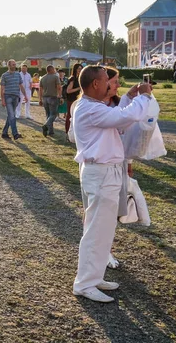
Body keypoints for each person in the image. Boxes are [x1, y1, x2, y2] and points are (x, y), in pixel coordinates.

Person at [71, 65, 153, 303]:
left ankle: (94, 278)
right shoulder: (88, 108)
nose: (110, 84)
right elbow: (123, 116)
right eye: (107, 80)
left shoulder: (95, 106)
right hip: (100, 173)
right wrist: (144, 96)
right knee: (96, 231)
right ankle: (84, 283)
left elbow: (117, 114)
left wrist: (130, 96)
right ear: (95, 84)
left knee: (104, 231)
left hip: (106, 173)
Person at [0, 59, 28, 140]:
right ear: (9, 65)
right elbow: (2, 88)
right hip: (8, 97)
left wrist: (25, 95)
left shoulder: (18, 75)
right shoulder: (4, 75)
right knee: (12, 116)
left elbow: (21, 86)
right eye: (13, 64)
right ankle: (15, 134)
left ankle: (4, 133)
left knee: (10, 115)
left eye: (15, 64)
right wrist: (2, 99)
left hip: (16, 97)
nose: (15, 66)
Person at [39, 65, 61, 137]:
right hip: (53, 97)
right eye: (54, 69)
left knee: (48, 115)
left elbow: (40, 89)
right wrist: (60, 96)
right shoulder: (55, 77)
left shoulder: (43, 78)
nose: (55, 70)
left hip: (45, 98)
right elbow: (59, 87)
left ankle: (50, 131)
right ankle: (45, 125)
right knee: (53, 115)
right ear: (51, 70)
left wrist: (40, 99)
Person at [65, 63, 83, 138]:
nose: (80, 70)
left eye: (81, 68)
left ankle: (74, 133)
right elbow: (68, 91)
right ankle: (67, 133)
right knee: (70, 116)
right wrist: (78, 88)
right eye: (79, 68)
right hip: (71, 99)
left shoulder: (79, 78)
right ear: (75, 69)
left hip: (77, 99)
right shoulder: (72, 78)